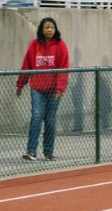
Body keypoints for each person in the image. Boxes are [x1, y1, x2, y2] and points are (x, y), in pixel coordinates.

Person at [16, 18, 70, 161]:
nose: (49, 30)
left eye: (52, 27)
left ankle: (48, 151)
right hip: (37, 89)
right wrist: (20, 84)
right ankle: (31, 150)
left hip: (53, 91)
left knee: (50, 120)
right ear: (41, 29)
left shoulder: (61, 45)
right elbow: (26, 66)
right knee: (36, 117)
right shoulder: (34, 45)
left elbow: (64, 69)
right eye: (46, 27)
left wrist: (60, 89)